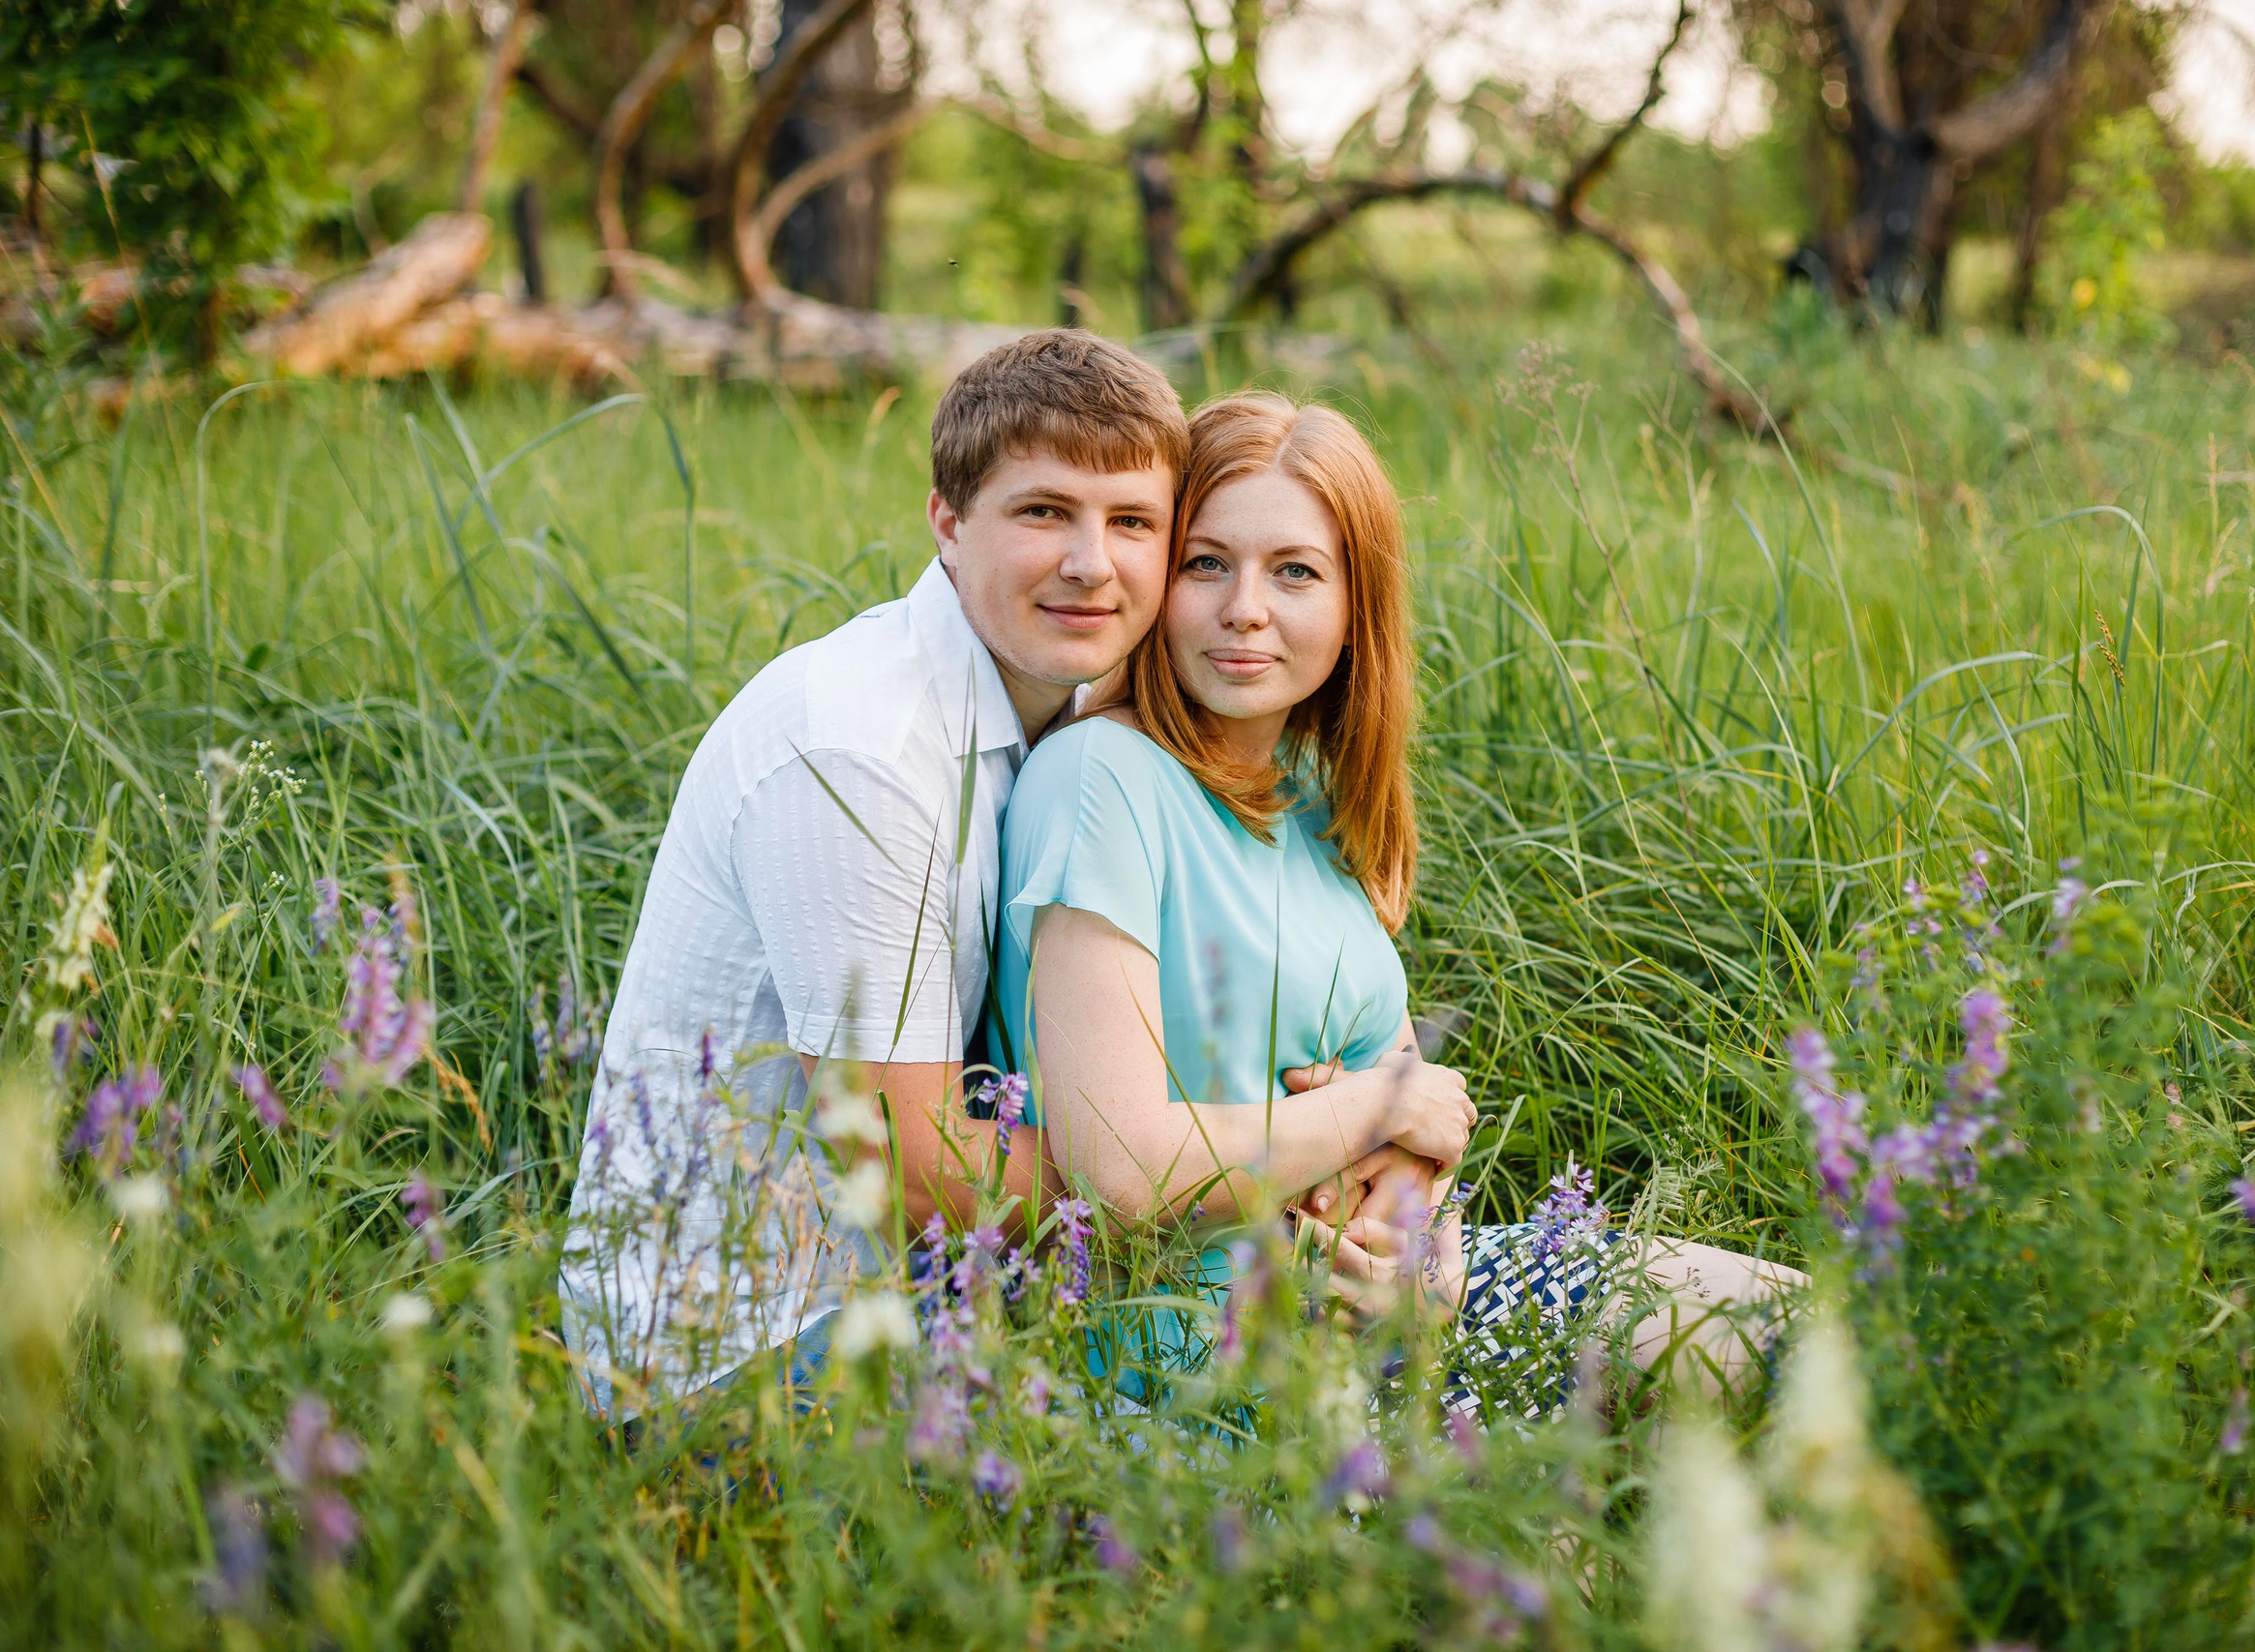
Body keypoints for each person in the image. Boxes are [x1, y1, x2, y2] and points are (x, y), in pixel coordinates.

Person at [993, 392, 1803, 1413]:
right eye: (1206, 564)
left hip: (1391, 1330)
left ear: (1354, 606)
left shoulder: (1314, 799)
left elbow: (1411, 1119)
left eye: (1295, 571)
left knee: (1804, 1330)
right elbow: (1120, 1171)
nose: (1246, 608)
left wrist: (1429, 1253)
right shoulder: (1100, 781)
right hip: (1194, 1369)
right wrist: (1367, 1111)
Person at [560, 329, 1192, 1419]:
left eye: (1132, 521)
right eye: (1045, 512)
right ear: (948, 522)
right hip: (742, 1362)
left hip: (939, 1299)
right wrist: (1241, 1172)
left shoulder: (1080, 702)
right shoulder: (858, 747)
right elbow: (920, 1174)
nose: (1093, 562)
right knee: (1286, 1431)